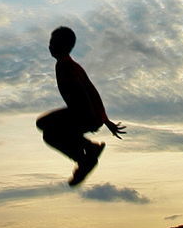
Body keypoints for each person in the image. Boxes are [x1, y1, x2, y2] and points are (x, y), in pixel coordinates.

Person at [35, 26, 125, 186]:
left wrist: (97, 117)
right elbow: (93, 90)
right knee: (47, 130)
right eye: (49, 42)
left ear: (64, 46)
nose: (50, 46)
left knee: (46, 129)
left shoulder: (66, 66)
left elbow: (86, 91)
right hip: (87, 114)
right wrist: (105, 119)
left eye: (53, 42)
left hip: (84, 114)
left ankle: (85, 156)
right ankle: (89, 150)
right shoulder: (67, 65)